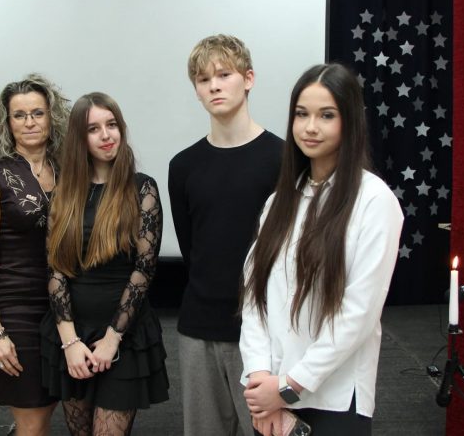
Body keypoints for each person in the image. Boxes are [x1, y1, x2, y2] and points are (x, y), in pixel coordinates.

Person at [239, 63, 404, 436]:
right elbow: (254, 298)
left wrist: (290, 386)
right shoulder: (279, 202)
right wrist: (260, 378)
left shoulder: (373, 200)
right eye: (302, 114)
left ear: (350, 122)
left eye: (326, 115)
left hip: (334, 399)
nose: (310, 127)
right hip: (270, 397)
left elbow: (359, 313)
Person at [168, 34, 282, 436]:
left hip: (266, 330)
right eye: (203, 79)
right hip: (198, 328)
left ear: (248, 79)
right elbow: (192, 249)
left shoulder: (283, 159)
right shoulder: (183, 166)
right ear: (196, 90)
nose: (214, 86)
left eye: (224, 75)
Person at [40, 92, 169, 435]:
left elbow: (144, 269)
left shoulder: (142, 189)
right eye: (93, 129)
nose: (106, 135)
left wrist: (113, 338)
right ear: (79, 139)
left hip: (124, 336)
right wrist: (70, 342)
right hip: (73, 337)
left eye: (112, 125)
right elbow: (55, 270)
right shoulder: (63, 193)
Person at [0, 74, 70, 435]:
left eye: (37, 113)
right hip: (16, 311)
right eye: (20, 115)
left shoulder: (68, 171)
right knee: (32, 422)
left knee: (45, 415)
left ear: (51, 118)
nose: (30, 122)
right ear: (7, 122)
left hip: (64, 310)